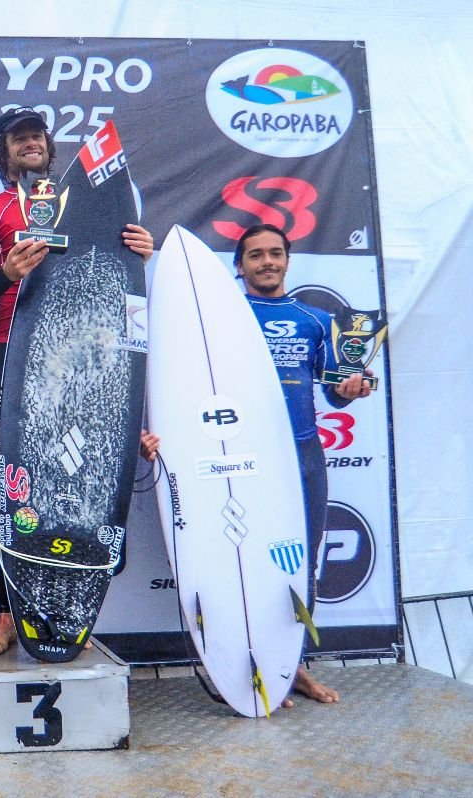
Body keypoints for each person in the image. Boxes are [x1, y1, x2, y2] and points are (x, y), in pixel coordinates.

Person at [142, 222, 372, 705]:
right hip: (234, 457)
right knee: (232, 559)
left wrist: (352, 388)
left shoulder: (315, 320)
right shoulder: (217, 318)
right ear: (240, 264)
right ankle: (242, 667)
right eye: (255, 255)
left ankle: (290, 667)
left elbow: (335, 390)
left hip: (300, 456)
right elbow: (177, 382)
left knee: (300, 562)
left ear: (287, 260)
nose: (267, 262)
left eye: (275, 253)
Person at [0, 106, 154, 655]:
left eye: (36, 136)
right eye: (18, 138)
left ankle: (75, 610)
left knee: (85, 482)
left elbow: (124, 282)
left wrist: (140, 251)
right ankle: (6, 615)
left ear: (48, 144)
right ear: (1, 150)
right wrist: (7, 274)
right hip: (16, 361)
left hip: (87, 365)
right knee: (13, 487)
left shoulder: (87, 209)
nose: (30, 143)